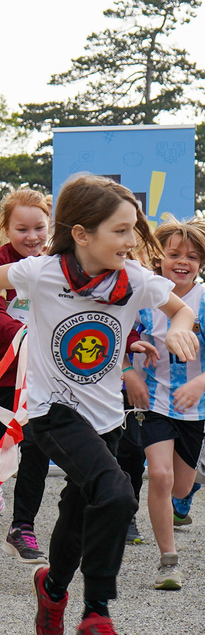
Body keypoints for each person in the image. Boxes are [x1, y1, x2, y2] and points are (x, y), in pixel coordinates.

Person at [0, 173, 197, 635]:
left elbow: (181, 310)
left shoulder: (133, 278)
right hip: (51, 411)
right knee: (115, 493)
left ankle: (51, 589)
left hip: (106, 417)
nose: (131, 241)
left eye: (134, 229)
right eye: (120, 230)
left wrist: (176, 329)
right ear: (82, 234)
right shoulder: (42, 272)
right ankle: (97, 615)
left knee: (78, 510)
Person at [0, 189, 53, 564]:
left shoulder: (57, 262)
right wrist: (23, 335)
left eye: (39, 227)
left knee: (36, 446)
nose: (32, 237)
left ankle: (23, 527)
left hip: (43, 376)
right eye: (22, 229)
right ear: (6, 229)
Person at [124, 219, 205, 590]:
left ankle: (184, 490)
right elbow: (115, 337)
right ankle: (167, 561)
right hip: (154, 402)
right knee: (159, 475)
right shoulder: (142, 295)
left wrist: (199, 384)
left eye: (192, 256)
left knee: (180, 488)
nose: (182, 262)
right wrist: (130, 372)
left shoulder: (202, 300)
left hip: (195, 408)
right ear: (159, 259)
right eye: (174, 254)